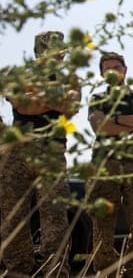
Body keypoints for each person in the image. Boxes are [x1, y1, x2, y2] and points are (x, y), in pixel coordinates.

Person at [0, 31, 79, 277]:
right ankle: (18, 271)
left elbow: (71, 107)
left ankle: (55, 271)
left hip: (52, 152)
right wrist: (55, 98)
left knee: (55, 218)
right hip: (17, 154)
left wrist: (38, 98)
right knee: (13, 217)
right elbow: (23, 105)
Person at [87, 51, 133, 278]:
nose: (112, 72)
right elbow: (99, 127)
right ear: (101, 74)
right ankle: (107, 272)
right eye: (107, 69)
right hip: (104, 166)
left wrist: (114, 121)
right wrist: (130, 122)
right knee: (102, 226)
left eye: (116, 67)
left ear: (124, 70)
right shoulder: (98, 99)